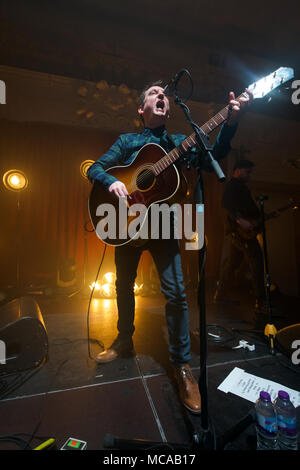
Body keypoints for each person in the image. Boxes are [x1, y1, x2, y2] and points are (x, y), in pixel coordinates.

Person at [87, 80, 251, 414]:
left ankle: (182, 367)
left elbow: (215, 156)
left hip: (163, 225)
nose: (162, 95)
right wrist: (114, 181)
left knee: (176, 293)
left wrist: (231, 121)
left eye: (164, 94)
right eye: (153, 93)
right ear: (141, 108)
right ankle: (123, 339)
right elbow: (94, 168)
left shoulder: (180, 141)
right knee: (122, 284)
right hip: (127, 224)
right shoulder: (128, 142)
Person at [214, 160, 267, 314]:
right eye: (247, 171)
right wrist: (240, 220)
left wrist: (258, 221)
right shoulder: (233, 186)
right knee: (256, 259)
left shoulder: (242, 188)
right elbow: (226, 204)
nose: (249, 175)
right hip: (238, 232)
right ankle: (261, 302)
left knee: (232, 264)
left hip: (239, 232)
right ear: (237, 171)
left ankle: (221, 295)